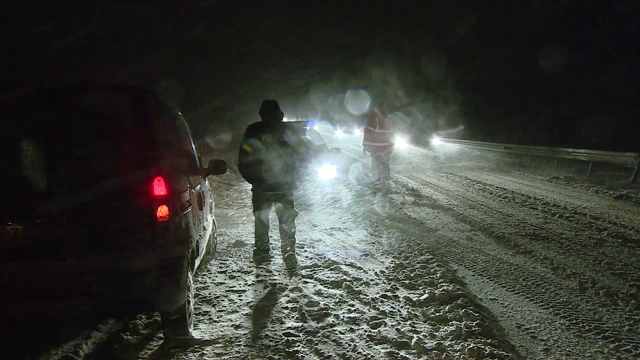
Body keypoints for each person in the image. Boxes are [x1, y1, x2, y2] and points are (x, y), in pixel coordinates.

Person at [238, 99, 304, 272]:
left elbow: (243, 161)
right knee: (287, 221)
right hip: (284, 188)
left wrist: (255, 181)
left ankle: (262, 252)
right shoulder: (288, 131)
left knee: (261, 221)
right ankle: (289, 252)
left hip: (262, 189)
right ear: (280, 114)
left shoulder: (253, 130)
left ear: (261, 114)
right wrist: (294, 177)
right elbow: (300, 156)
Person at [362, 106, 394, 193]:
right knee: (385, 166)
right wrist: (392, 146)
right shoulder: (389, 121)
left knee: (376, 166)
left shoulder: (373, 120)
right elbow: (392, 134)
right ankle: (386, 185)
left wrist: (365, 145)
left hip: (376, 148)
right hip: (386, 148)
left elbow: (367, 133)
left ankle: (377, 186)